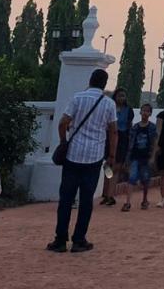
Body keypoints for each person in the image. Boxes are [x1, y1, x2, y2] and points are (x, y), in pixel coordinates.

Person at [47, 69, 117, 254]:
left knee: (66, 199)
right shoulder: (109, 104)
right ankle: (79, 240)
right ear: (105, 83)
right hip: (94, 157)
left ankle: (60, 240)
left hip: (73, 155)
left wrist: (64, 141)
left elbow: (63, 123)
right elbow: (113, 131)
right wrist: (111, 154)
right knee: (86, 201)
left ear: (90, 80)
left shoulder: (78, 98)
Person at [101, 88, 133, 207]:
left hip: (122, 137)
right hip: (109, 137)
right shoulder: (110, 108)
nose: (121, 98)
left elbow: (129, 126)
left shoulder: (128, 110)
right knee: (108, 165)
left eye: (123, 96)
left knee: (117, 167)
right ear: (115, 97)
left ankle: (111, 195)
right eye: (119, 96)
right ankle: (105, 193)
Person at [123, 103, 157, 211]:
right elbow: (130, 143)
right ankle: (128, 202)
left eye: (147, 111)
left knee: (145, 179)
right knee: (132, 178)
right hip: (135, 157)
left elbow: (155, 143)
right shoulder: (135, 127)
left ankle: (145, 199)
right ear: (140, 112)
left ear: (150, 113)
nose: (145, 113)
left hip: (146, 157)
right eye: (143, 111)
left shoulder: (152, 127)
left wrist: (152, 157)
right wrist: (127, 158)